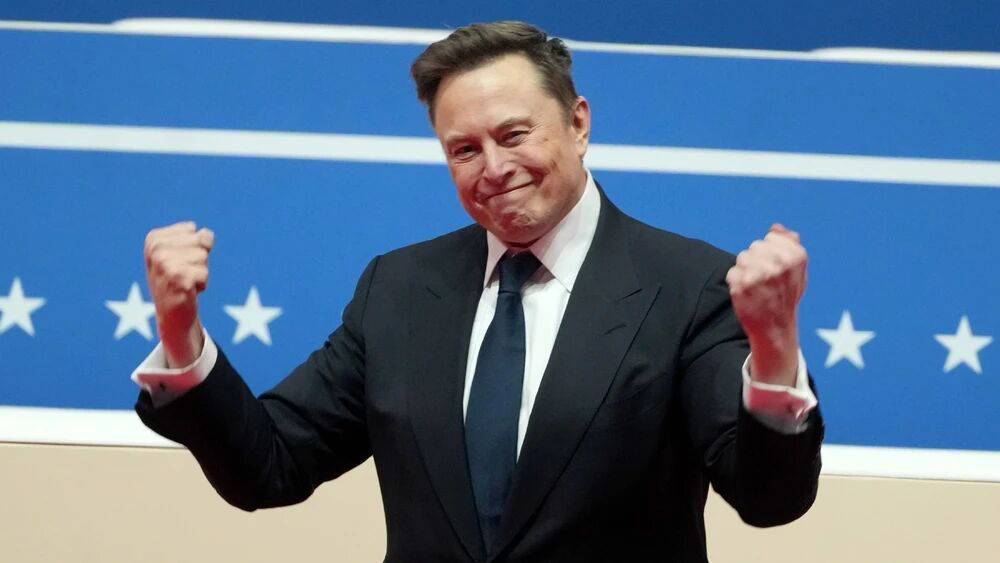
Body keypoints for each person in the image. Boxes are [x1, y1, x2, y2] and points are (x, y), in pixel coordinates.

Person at [133, 21, 822, 563]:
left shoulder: (688, 285)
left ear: (579, 123)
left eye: (514, 134)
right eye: (463, 149)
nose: (493, 168)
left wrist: (773, 352)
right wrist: (180, 334)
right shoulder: (399, 289)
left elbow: (768, 499)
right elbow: (269, 466)